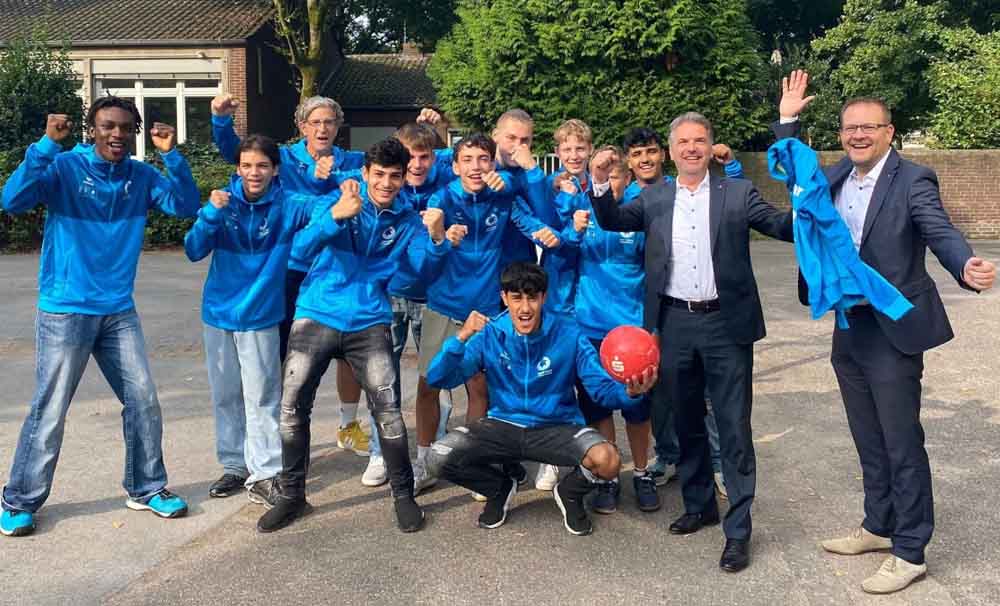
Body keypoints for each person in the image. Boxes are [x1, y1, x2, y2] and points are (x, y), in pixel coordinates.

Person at [775, 70, 997, 593]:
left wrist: (964, 265)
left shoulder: (914, 178)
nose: (858, 135)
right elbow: (794, 178)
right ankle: (879, 525)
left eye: (868, 128)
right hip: (848, 326)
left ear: (888, 132)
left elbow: (938, 228)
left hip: (893, 329)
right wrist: (787, 120)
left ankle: (911, 549)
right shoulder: (831, 177)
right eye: (850, 127)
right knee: (867, 436)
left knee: (901, 441)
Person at [589, 112, 794, 573]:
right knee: (685, 423)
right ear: (671, 148)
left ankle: (738, 531)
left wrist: (809, 198)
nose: (692, 148)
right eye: (683, 141)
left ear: (710, 145)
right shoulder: (656, 196)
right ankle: (700, 505)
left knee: (734, 429)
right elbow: (613, 220)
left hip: (727, 324)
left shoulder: (738, 193)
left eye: (700, 140)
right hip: (674, 322)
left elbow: (781, 227)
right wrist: (599, 181)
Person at [1, 97, 200, 537]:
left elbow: (185, 206)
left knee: (144, 398)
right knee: (51, 407)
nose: (117, 134)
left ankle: (146, 488)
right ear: (92, 130)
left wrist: (171, 155)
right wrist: (45, 147)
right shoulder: (65, 168)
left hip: (117, 310)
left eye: (126, 128)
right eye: (108, 126)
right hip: (65, 308)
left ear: (135, 133)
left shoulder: (143, 176)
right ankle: (18, 499)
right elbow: (12, 200)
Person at [255, 138, 432, 534]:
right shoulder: (338, 199)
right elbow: (298, 250)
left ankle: (404, 496)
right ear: (365, 173)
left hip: (369, 319)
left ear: (404, 178)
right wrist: (335, 216)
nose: (387, 183)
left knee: (387, 410)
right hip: (317, 312)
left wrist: (436, 240)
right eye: (380, 175)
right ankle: (292, 496)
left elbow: (420, 272)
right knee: (292, 407)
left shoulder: (408, 220)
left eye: (395, 176)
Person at [424, 262, 658, 536]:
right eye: (516, 299)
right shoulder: (491, 333)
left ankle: (569, 493)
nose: (525, 308)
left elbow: (601, 390)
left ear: (543, 298)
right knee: (436, 457)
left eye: (532, 298)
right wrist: (461, 336)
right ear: (504, 299)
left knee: (608, 460)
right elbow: (438, 378)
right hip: (502, 425)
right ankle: (499, 489)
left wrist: (630, 393)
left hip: (556, 427)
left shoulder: (570, 334)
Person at [210, 95, 372, 484]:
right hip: (290, 271)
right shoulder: (282, 158)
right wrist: (220, 120)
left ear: (338, 126)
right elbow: (238, 153)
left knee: (343, 355)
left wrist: (431, 129)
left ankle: (346, 426)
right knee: (277, 363)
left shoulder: (349, 161)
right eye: (315, 122)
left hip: (334, 272)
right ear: (301, 126)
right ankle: (270, 445)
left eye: (330, 122)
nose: (322, 129)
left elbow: (392, 166)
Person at [412, 133, 560, 495]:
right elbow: (428, 245)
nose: (476, 167)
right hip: (443, 305)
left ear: (492, 163)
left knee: (479, 387)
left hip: (486, 309)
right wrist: (441, 235)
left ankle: (476, 461)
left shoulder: (502, 193)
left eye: (483, 159)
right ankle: (425, 460)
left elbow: (529, 221)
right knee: (429, 383)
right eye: (469, 159)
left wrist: (551, 236)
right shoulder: (443, 197)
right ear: (456, 164)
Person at [184, 134, 326, 506]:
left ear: (275, 169)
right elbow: (193, 249)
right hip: (217, 315)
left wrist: (333, 178)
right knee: (225, 395)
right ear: (238, 168)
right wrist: (210, 214)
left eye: (262, 165)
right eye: (246, 165)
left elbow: (327, 209)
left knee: (262, 397)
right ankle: (234, 464)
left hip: (261, 316)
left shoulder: (289, 205)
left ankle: (267, 472)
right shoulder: (223, 203)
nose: (254, 172)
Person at [618, 127, 741, 490]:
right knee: (660, 391)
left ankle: (718, 464)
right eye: (637, 154)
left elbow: (734, 203)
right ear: (628, 160)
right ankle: (668, 456)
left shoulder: (684, 188)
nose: (645, 159)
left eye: (651, 152)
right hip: (641, 310)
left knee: (705, 392)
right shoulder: (624, 198)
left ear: (663, 155)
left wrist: (731, 166)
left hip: (683, 309)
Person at [558, 143, 660, 514]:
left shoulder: (641, 211)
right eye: (603, 174)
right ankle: (610, 476)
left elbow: (656, 267)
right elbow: (560, 257)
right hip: (589, 327)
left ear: (628, 177)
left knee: (637, 407)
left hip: (631, 329)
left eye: (616, 174)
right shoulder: (580, 207)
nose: (609, 181)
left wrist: (654, 325)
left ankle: (643, 472)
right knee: (598, 406)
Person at [361, 122, 457, 488]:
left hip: (433, 296)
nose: (417, 164)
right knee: (382, 379)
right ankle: (378, 452)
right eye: (410, 156)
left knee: (434, 378)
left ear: (436, 158)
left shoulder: (445, 191)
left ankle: (428, 451)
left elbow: (466, 158)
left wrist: (442, 127)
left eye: (425, 156)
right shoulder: (387, 191)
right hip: (391, 295)